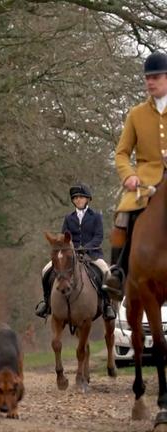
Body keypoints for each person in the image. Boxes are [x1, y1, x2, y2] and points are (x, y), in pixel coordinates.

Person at [102, 51, 167, 301]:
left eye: (156, 77)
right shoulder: (136, 114)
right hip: (144, 182)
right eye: (147, 78)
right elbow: (121, 153)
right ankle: (117, 272)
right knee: (123, 215)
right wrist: (129, 175)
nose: (151, 82)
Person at [35, 184, 115, 320]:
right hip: (70, 254)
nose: (78, 200)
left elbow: (98, 236)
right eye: (75, 198)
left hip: (92, 254)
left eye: (81, 197)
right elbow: (63, 236)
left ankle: (107, 305)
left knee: (106, 271)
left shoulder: (96, 216)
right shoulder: (68, 218)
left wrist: (86, 247)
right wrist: (65, 246)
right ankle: (46, 302)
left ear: (87, 199)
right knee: (45, 270)